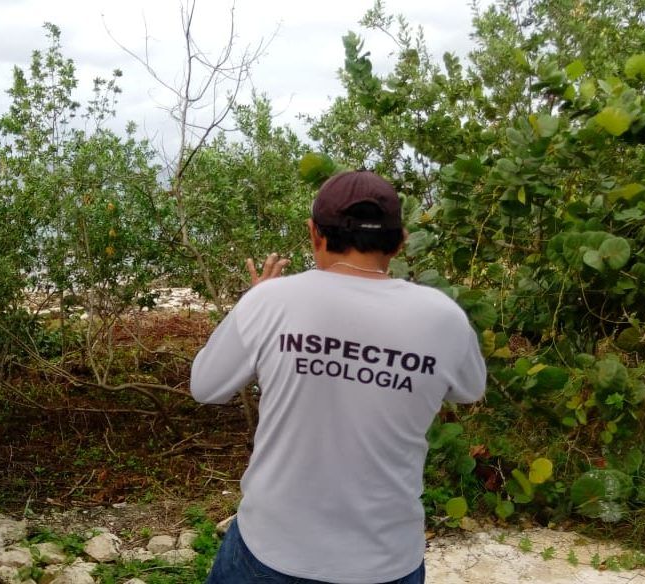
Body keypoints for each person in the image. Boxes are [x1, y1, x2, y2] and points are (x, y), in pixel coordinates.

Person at [191, 170, 487, 584]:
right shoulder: (443, 317)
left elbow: (205, 386)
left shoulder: (271, 301)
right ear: (400, 241)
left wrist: (255, 301)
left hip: (273, 550)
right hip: (386, 560)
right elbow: (469, 390)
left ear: (314, 233)